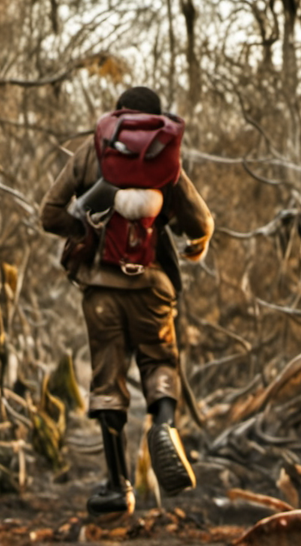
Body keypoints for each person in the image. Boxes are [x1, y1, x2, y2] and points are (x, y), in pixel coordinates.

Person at [40, 86, 214, 518]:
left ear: (119, 114)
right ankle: (165, 426)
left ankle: (118, 486)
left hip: (101, 288)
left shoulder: (94, 149)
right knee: (158, 361)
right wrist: (198, 244)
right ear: (155, 120)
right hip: (153, 286)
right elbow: (202, 222)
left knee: (107, 376)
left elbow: (49, 213)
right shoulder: (164, 155)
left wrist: (83, 230)